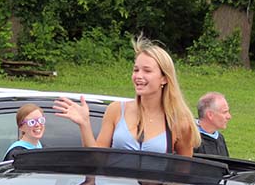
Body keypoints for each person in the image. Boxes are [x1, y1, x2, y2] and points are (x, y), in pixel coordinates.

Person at [54, 35, 200, 156]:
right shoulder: (116, 110)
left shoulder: (179, 121)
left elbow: (183, 173)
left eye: (147, 71)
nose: (138, 76)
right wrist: (84, 124)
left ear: (164, 78)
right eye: (136, 70)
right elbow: (96, 158)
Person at [195, 92, 231, 156]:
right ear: (210, 115)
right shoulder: (192, 140)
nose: (229, 117)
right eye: (224, 112)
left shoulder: (220, 138)